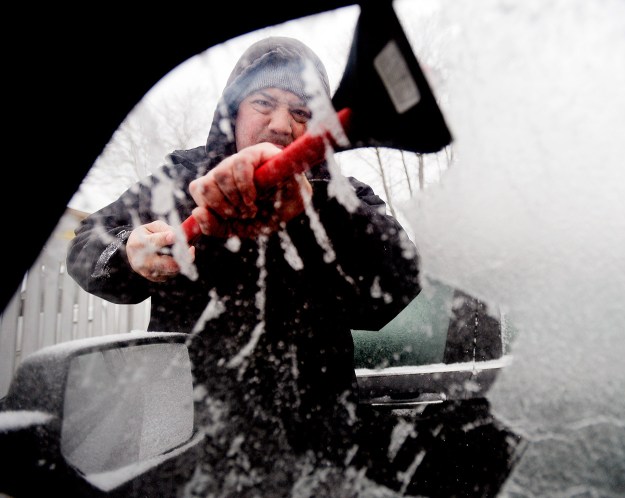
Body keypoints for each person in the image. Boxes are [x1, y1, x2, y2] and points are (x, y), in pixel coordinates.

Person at [66, 36, 422, 493]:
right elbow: (86, 243)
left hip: (319, 460)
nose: (280, 124)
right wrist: (127, 253)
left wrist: (313, 206)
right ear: (232, 110)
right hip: (192, 455)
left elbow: (401, 282)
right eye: (264, 102)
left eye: (300, 112)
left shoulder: (342, 195)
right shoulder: (179, 178)